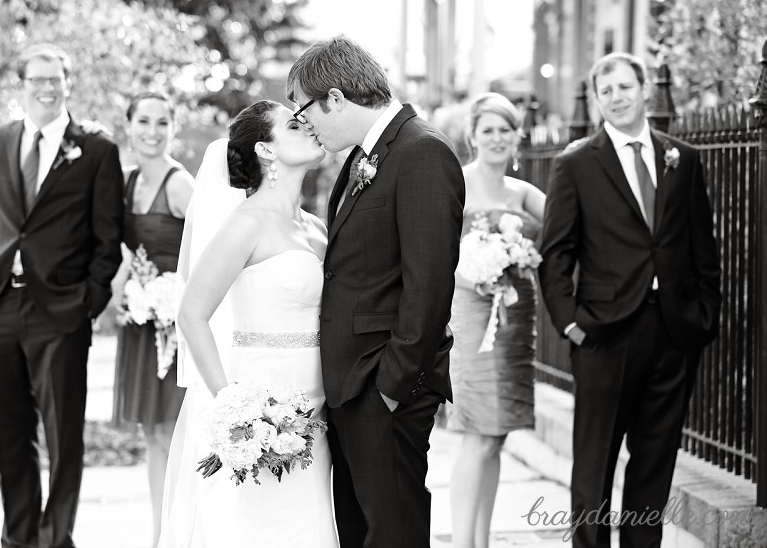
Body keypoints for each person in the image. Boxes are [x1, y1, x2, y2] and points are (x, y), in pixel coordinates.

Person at [286, 36, 465, 548]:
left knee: (394, 533)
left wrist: (390, 387)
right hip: (353, 385)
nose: (307, 125)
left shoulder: (422, 152)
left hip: (383, 386)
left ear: (336, 98)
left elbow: (429, 287)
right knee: (362, 531)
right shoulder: (365, 157)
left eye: (305, 110)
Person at [539, 52, 721, 547]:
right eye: (606, 91)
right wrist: (571, 323)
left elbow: (702, 246)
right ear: (597, 102)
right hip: (604, 334)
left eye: (625, 86)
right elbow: (554, 254)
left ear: (645, 91)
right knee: (594, 461)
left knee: (655, 458)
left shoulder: (682, 159)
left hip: (674, 331)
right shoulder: (575, 163)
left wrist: (703, 315)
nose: (616, 97)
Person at [0, 43, 124, 548]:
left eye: (55, 78)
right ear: (22, 84)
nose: (47, 88)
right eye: (37, 79)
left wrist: (86, 304)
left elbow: (107, 239)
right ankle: (19, 537)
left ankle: (56, 539)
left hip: (61, 311)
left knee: (63, 436)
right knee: (10, 435)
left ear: (67, 82)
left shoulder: (96, 149)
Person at [158, 100, 337, 548]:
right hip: (263, 405)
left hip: (317, 406)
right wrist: (232, 404)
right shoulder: (246, 223)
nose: (310, 128)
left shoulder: (316, 228)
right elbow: (192, 313)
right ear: (266, 150)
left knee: (310, 524)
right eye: (295, 125)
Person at [448, 93, 546, 548]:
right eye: (488, 129)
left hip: (514, 322)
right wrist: (475, 280)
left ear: (517, 138)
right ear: (472, 136)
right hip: (472, 319)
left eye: (505, 129)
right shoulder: (457, 184)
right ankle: (463, 542)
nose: (497, 138)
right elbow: (434, 252)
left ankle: (481, 541)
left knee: (497, 435)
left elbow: (569, 224)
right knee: (476, 435)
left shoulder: (523, 193)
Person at [109, 92, 194, 547]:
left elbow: (207, 254)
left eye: (163, 123)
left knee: (175, 432)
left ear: (173, 129)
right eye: (144, 121)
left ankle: (181, 532)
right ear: (129, 125)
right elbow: (127, 253)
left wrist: (174, 297)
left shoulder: (181, 186)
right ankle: (161, 532)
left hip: (176, 328)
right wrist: (121, 293)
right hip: (142, 324)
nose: (153, 131)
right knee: (153, 435)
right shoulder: (125, 183)